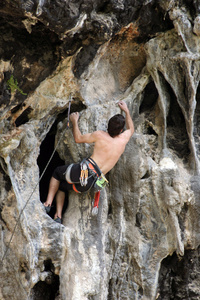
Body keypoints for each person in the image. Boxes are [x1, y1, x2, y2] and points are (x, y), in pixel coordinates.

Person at [43, 100, 134, 223]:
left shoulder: (100, 135)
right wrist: (126, 111)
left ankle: (48, 204)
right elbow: (131, 128)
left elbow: (78, 138)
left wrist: (74, 121)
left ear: (108, 126)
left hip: (83, 173)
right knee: (62, 187)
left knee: (58, 173)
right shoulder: (123, 139)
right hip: (91, 184)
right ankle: (58, 216)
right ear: (121, 130)